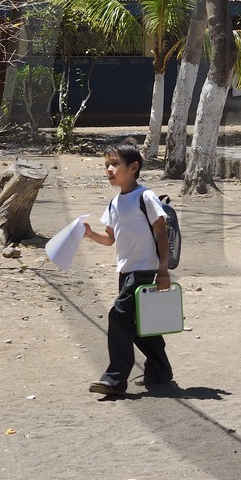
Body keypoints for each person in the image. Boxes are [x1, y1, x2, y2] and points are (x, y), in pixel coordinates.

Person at [81, 140, 174, 396]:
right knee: (139, 323)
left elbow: (162, 234)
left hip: (144, 271)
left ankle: (115, 379)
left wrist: (163, 271)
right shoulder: (114, 203)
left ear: (133, 167)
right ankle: (160, 370)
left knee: (119, 315)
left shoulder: (145, 197)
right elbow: (109, 239)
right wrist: (90, 234)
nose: (109, 169)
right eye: (106, 165)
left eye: (115, 164)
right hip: (125, 271)